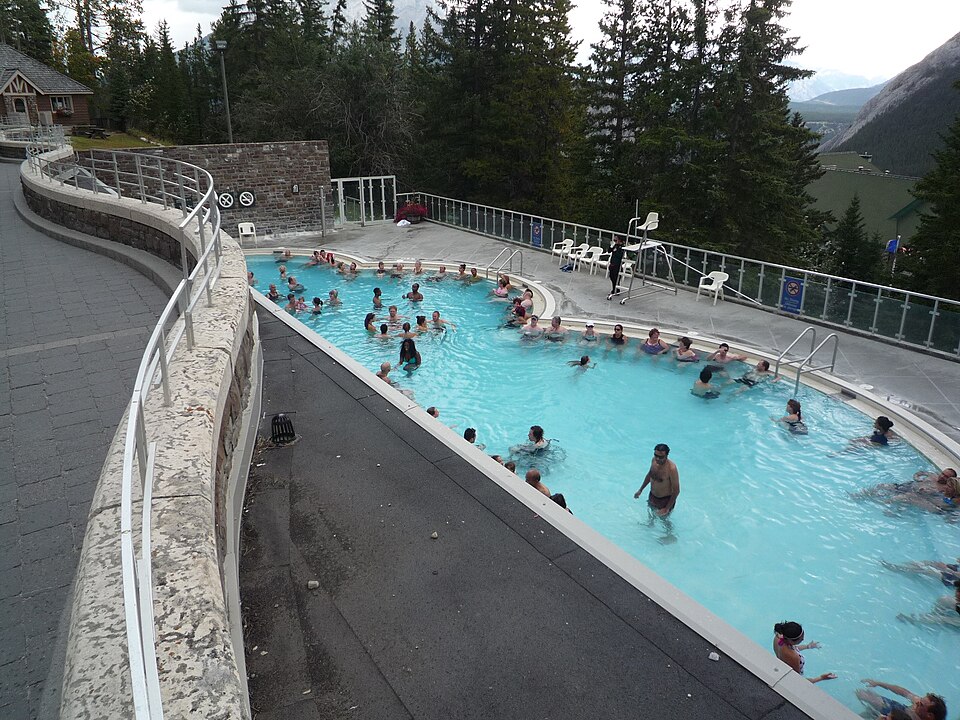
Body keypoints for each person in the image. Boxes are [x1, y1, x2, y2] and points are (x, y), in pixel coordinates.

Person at [772, 621, 836, 684]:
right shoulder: (794, 657)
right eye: (801, 639)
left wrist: (808, 646)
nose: (803, 639)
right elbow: (798, 680)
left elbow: (794, 648)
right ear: (791, 641)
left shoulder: (778, 638)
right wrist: (821, 678)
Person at [856, 680, 947, 720]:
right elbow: (903, 692)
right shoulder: (919, 703)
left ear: (929, 716)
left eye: (921, 704)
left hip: (894, 716)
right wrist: (879, 683)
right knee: (864, 694)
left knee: (866, 698)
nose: (917, 702)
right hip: (895, 709)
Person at [633, 443, 680, 516]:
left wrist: (667, 508)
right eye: (656, 455)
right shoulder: (654, 461)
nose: (657, 459)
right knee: (651, 515)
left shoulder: (671, 469)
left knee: (665, 522)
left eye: (661, 457)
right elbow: (650, 475)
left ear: (666, 456)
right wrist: (640, 490)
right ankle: (649, 526)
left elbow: (676, 490)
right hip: (652, 496)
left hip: (665, 501)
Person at [881, 557, 960, 587]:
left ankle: (898, 569)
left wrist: (946, 569)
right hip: (954, 570)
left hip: (952, 580)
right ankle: (904, 565)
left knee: (928, 571)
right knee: (928, 562)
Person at [606, 235, 625, 299]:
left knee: (616, 278)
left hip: (617, 264)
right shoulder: (615, 246)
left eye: (615, 240)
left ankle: (616, 289)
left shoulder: (622, 247)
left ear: (619, 240)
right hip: (612, 263)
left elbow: (619, 256)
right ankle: (614, 288)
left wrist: (615, 250)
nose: (614, 241)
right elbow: (609, 251)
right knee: (611, 277)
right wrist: (611, 246)